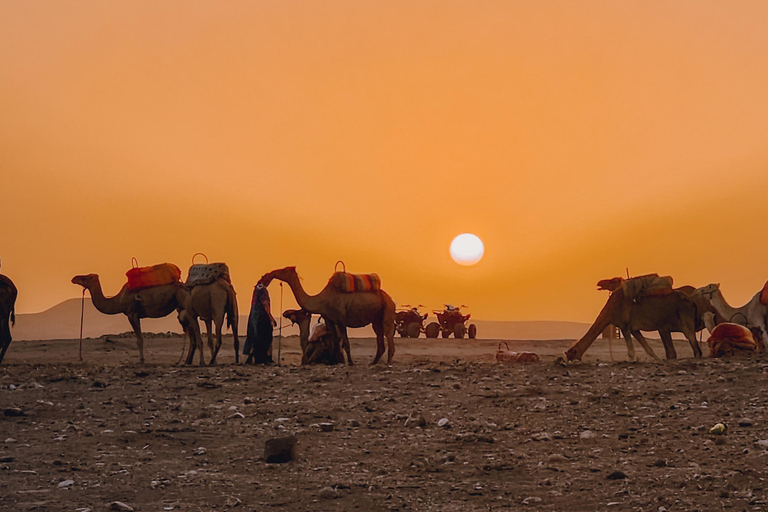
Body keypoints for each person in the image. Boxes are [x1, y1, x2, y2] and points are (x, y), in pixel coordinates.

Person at [244, 284, 277, 364]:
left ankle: (250, 357)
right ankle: (268, 358)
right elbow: (265, 304)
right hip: (262, 318)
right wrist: (271, 318)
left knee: (255, 337)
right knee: (267, 337)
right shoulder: (263, 291)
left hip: (254, 318)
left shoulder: (256, 291)